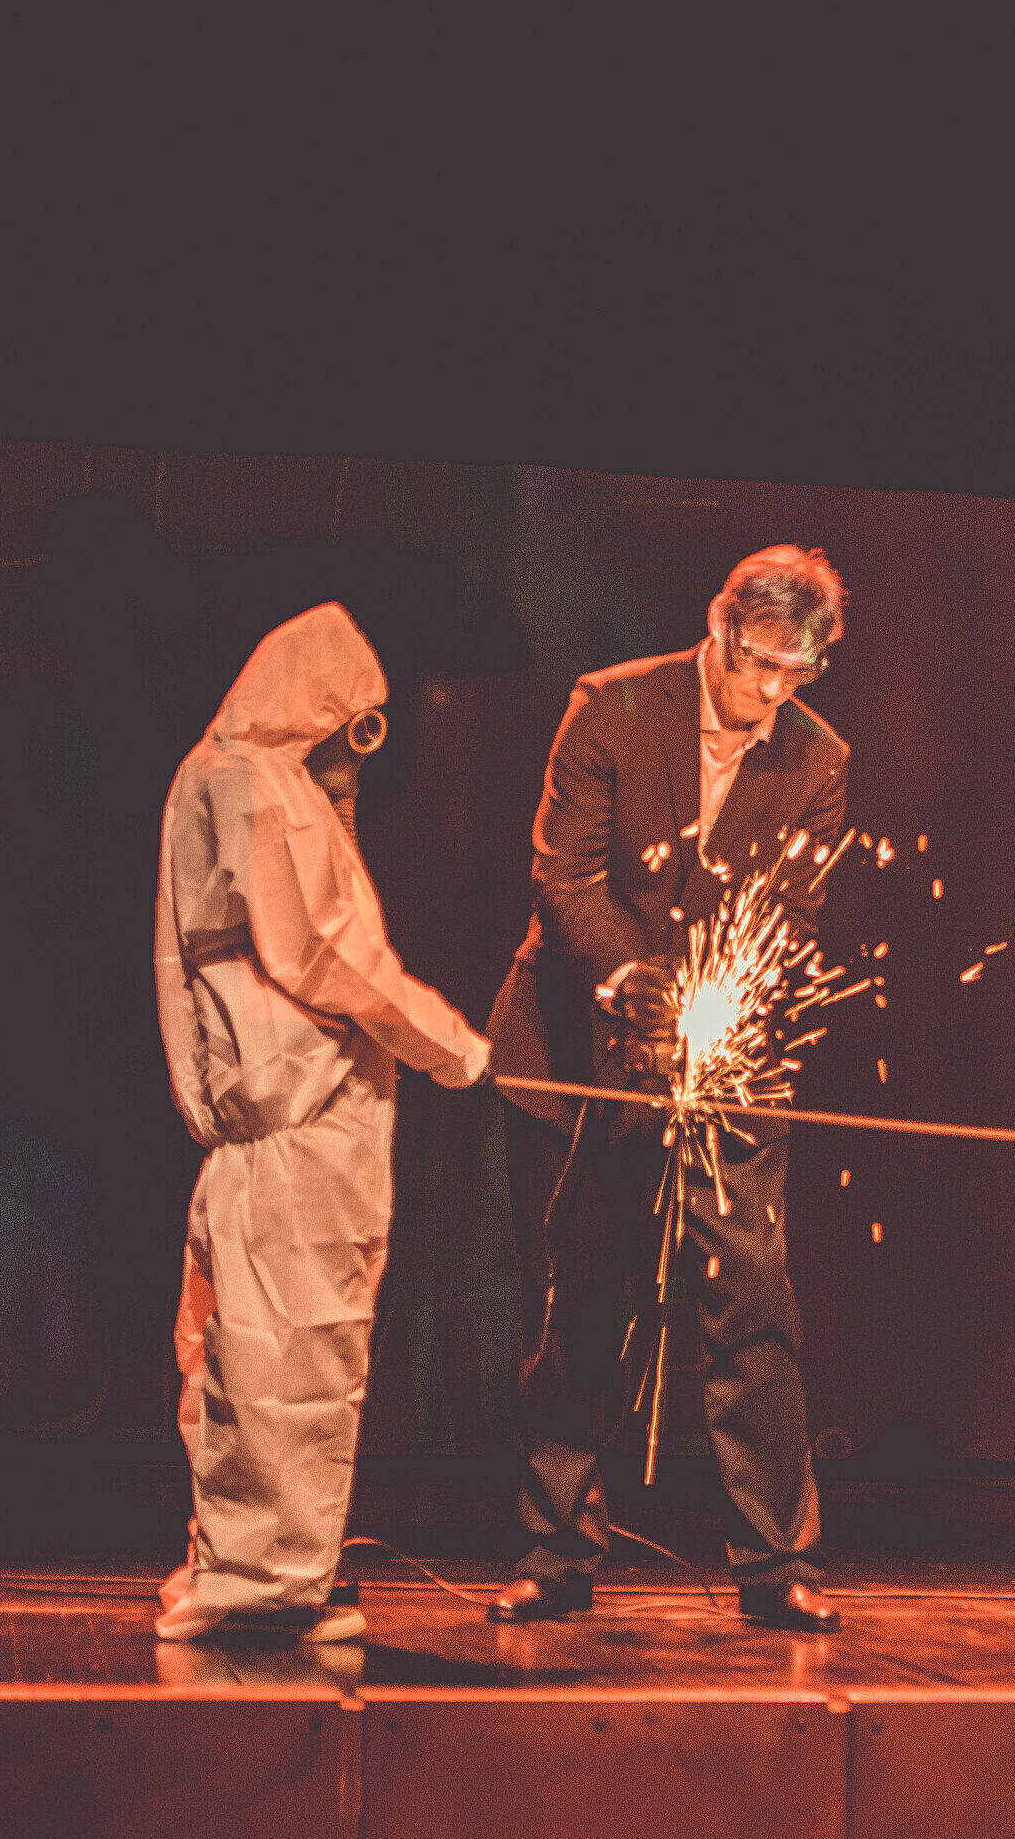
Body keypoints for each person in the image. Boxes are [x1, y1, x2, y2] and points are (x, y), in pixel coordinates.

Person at [485, 547, 852, 1631]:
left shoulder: (819, 758)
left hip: (726, 1062)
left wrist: (720, 1014)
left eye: (796, 672)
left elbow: (788, 920)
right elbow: (564, 879)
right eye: (758, 663)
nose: (770, 691)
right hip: (574, 1052)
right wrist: (627, 980)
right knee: (576, 1306)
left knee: (753, 1304)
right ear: (719, 627)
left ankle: (778, 1562)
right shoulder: (612, 708)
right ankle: (557, 1548)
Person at [151, 603, 492, 1642]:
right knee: (290, 1357)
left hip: (271, 1118)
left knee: (246, 1352)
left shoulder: (223, 774)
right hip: (300, 1112)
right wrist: (449, 1042)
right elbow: (321, 951)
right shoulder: (259, 784)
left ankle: (244, 1562)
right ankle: (268, 1584)